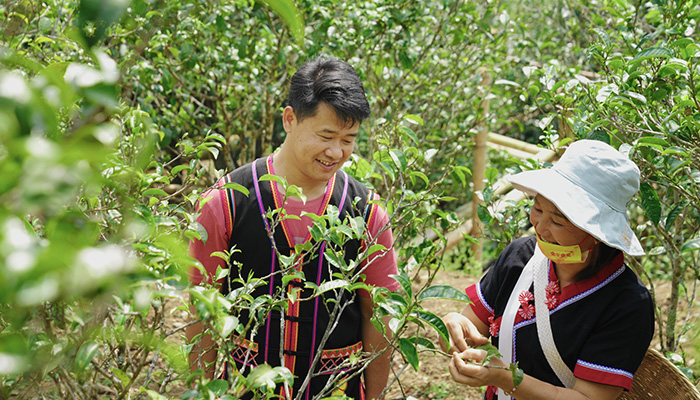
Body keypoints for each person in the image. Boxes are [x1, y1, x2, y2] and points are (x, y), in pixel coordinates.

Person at [186, 55, 399, 399]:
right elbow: (203, 311)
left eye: (349, 139)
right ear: (290, 119)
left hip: (334, 390)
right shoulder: (225, 202)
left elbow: (377, 313)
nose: (336, 151)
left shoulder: (367, 212)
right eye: (326, 135)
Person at [441, 140, 654, 400]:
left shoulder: (626, 303)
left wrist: (504, 378)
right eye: (537, 209)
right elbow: (471, 325)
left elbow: (588, 398)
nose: (540, 228)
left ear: (596, 232)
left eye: (557, 220)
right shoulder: (521, 257)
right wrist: (454, 326)